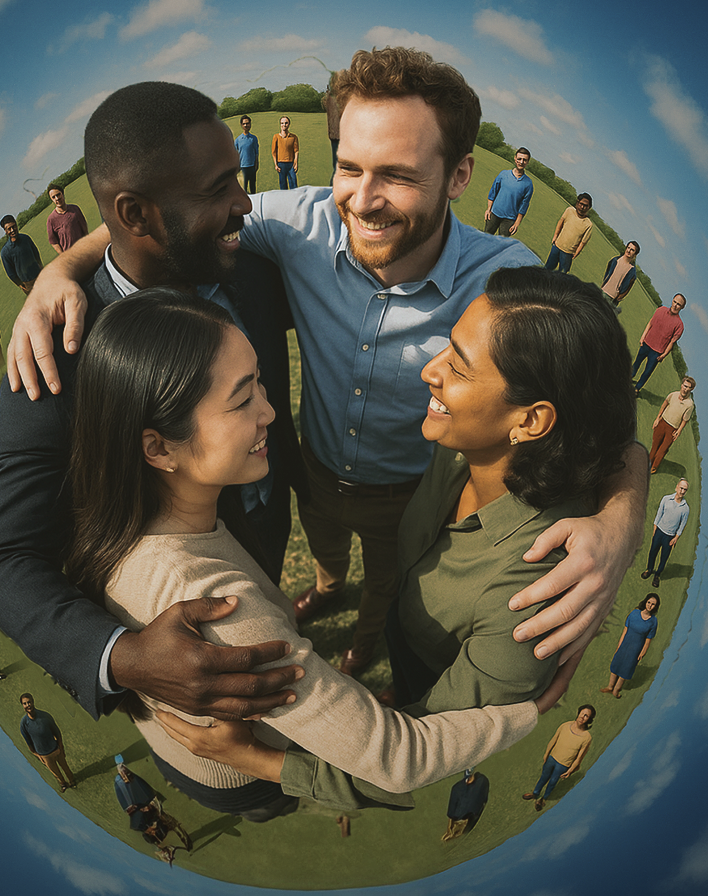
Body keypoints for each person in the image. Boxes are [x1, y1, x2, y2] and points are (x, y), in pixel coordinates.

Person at [4, 51, 647, 687]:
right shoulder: (296, 226)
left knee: (389, 586)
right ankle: (325, 585)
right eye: (348, 166)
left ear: (458, 177)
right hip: (308, 476)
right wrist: (59, 271)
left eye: (396, 174)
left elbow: (608, 415)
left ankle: (366, 641)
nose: (362, 200)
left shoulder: (509, 281)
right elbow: (151, 229)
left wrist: (617, 525)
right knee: (330, 562)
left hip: (410, 494)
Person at [155, 269, 635, 812]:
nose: (430, 370)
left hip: (434, 686)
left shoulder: (536, 597)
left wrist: (255, 760)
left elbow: (408, 760)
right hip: (404, 642)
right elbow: (616, 438)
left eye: (457, 366)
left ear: (529, 420)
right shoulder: (464, 445)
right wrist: (626, 506)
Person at [65, 288, 549, 818]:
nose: (271, 411)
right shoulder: (219, 608)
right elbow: (398, 757)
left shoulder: (120, 511)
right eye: (242, 399)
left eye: (260, 385)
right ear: (158, 448)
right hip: (241, 775)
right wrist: (525, 712)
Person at [0, 82, 311, 723]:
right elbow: (10, 562)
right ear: (135, 215)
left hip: (268, 529)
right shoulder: (58, 352)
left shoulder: (249, 268)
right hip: (183, 616)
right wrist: (123, 657)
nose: (245, 203)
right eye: (218, 189)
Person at [114, 755, 192, 858]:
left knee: (126, 780)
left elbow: (138, 810)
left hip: (138, 801)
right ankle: (123, 771)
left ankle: (122, 769)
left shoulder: (139, 824)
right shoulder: (156, 829)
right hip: (145, 802)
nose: (155, 832)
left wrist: (148, 809)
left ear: (149, 832)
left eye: (152, 832)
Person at [521, 705, 594, 811]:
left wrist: (570, 771)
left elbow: (579, 758)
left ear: (589, 720)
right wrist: (546, 754)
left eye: (586, 716)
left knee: (553, 781)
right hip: (552, 758)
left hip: (563, 764)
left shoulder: (587, 737)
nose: (583, 717)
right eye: (582, 713)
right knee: (544, 777)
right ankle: (535, 794)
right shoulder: (565, 725)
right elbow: (553, 740)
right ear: (578, 713)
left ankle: (543, 799)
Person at [602, 594, 659, 698]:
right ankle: (610, 687)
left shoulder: (653, 622)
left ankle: (616, 691)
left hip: (636, 649)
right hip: (625, 644)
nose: (650, 605)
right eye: (649, 602)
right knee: (616, 663)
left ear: (656, 607)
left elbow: (648, 640)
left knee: (626, 668)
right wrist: (619, 645)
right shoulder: (634, 613)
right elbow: (625, 631)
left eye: (653, 604)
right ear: (645, 602)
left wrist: (643, 652)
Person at [19, 693, 76, 791]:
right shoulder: (24, 724)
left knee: (65, 767)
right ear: (22, 706)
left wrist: (60, 747)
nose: (28, 705)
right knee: (56, 773)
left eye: (29, 702)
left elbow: (57, 732)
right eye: (25, 703)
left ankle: (72, 781)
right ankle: (63, 784)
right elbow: (29, 743)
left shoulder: (45, 716)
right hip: (44, 755)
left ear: (33, 702)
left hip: (55, 749)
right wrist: (38, 756)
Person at [632, 294, 686, 395]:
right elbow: (650, 323)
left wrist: (663, 355)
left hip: (657, 352)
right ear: (672, 300)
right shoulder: (660, 310)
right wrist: (643, 337)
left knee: (647, 371)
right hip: (646, 343)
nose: (675, 305)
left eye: (678, 304)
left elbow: (672, 342)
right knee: (637, 363)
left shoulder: (679, 325)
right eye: (674, 302)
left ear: (682, 307)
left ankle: (637, 389)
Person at [641, 480, 689, 586]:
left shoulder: (685, 508)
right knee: (652, 552)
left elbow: (682, 525)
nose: (682, 491)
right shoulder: (666, 499)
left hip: (670, 537)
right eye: (681, 488)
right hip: (659, 532)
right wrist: (655, 528)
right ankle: (649, 570)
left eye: (685, 489)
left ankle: (657, 575)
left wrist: (676, 538)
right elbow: (659, 513)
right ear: (676, 487)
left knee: (664, 558)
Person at [483, 148, 533, 236]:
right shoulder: (503, 174)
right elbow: (493, 192)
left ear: (527, 162)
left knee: (500, 246)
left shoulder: (528, 184)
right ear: (515, 158)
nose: (521, 162)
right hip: (494, 213)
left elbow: (524, 206)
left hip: (509, 220)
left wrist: (517, 223)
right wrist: (488, 209)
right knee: (485, 239)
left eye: (524, 160)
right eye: (519, 159)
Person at [649, 378, 695, 473]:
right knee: (655, 446)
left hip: (673, 429)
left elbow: (685, 420)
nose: (685, 389)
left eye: (688, 388)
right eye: (685, 386)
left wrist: (679, 431)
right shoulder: (673, 395)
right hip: (663, 422)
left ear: (691, 389)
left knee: (663, 450)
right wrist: (658, 418)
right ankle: (648, 463)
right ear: (681, 385)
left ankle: (654, 467)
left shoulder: (689, 405)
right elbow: (664, 404)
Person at [544, 194, 593, 273]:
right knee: (547, 269)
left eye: (585, 205)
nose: (582, 207)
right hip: (557, 246)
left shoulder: (588, 224)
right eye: (581, 204)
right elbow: (561, 222)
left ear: (589, 207)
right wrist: (555, 236)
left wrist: (576, 253)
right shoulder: (569, 210)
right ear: (577, 203)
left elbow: (583, 242)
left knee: (562, 276)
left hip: (568, 253)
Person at [441, 769, 489, 841]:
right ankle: (450, 837)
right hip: (463, 818)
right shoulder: (457, 788)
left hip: (468, 817)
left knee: (460, 833)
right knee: (456, 833)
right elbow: (451, 811)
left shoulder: (481, 781)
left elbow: (484, 798)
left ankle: (452, 836)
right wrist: (449, 828)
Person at [0, 216, 42, 293]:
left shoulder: (26, 238)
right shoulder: (5, 252)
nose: (12, 230)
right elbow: (10, 273)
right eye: (9, 229)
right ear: (5, 231)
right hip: (27, 284)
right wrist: (21, 285)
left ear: (16, 225)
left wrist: (41, 266)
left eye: (13, 226)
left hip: (40, 275)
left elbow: (36, 253)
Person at [46, 184, 89, 253]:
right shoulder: (51, 220)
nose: (57, 198)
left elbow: (84, 229)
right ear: (52, 200)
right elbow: (54, 242)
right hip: (70, 255)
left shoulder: (75, 209)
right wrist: (63, 255)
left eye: (58, 194)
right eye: (53, 197)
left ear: (62, 193)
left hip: (84, 249)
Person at [601, 241, 639, 309]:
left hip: (612, 298)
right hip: (602, 291)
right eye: (628, 248)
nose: (629, 251)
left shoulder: (631, 271)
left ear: (635, 254)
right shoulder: (615, 260)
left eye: (632, 250)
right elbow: (608, 271)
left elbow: (628, 286)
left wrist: (619, 297)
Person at [271, 115, 299, 189]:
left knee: (294, 183)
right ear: (280, 124)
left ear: (289, 124)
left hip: (291, 164)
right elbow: (274, 152)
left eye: (286, 123)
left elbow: (296, 150)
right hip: (281, 164)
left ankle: (295, 199)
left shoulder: (294, 137)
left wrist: (295, 162)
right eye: (282, 123)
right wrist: (276, 164)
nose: (284, 125)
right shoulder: (276, 137)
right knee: (283, 184)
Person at [234, 115, 260, 194]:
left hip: (252, 167)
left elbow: (256, 152)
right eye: (244, 124)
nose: (246, 125)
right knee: (243, 189)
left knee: (253, 187)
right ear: (241, 125)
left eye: (247, 123)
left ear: (250, 124)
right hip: (243, 167)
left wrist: (256, 163)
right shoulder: (238, 140)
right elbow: (235, 154)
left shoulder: (253, 138)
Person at [322, 75, 341, 176]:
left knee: (337, 165)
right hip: (340, 134)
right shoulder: (337, 98)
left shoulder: (330, 97)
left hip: (334, 134)